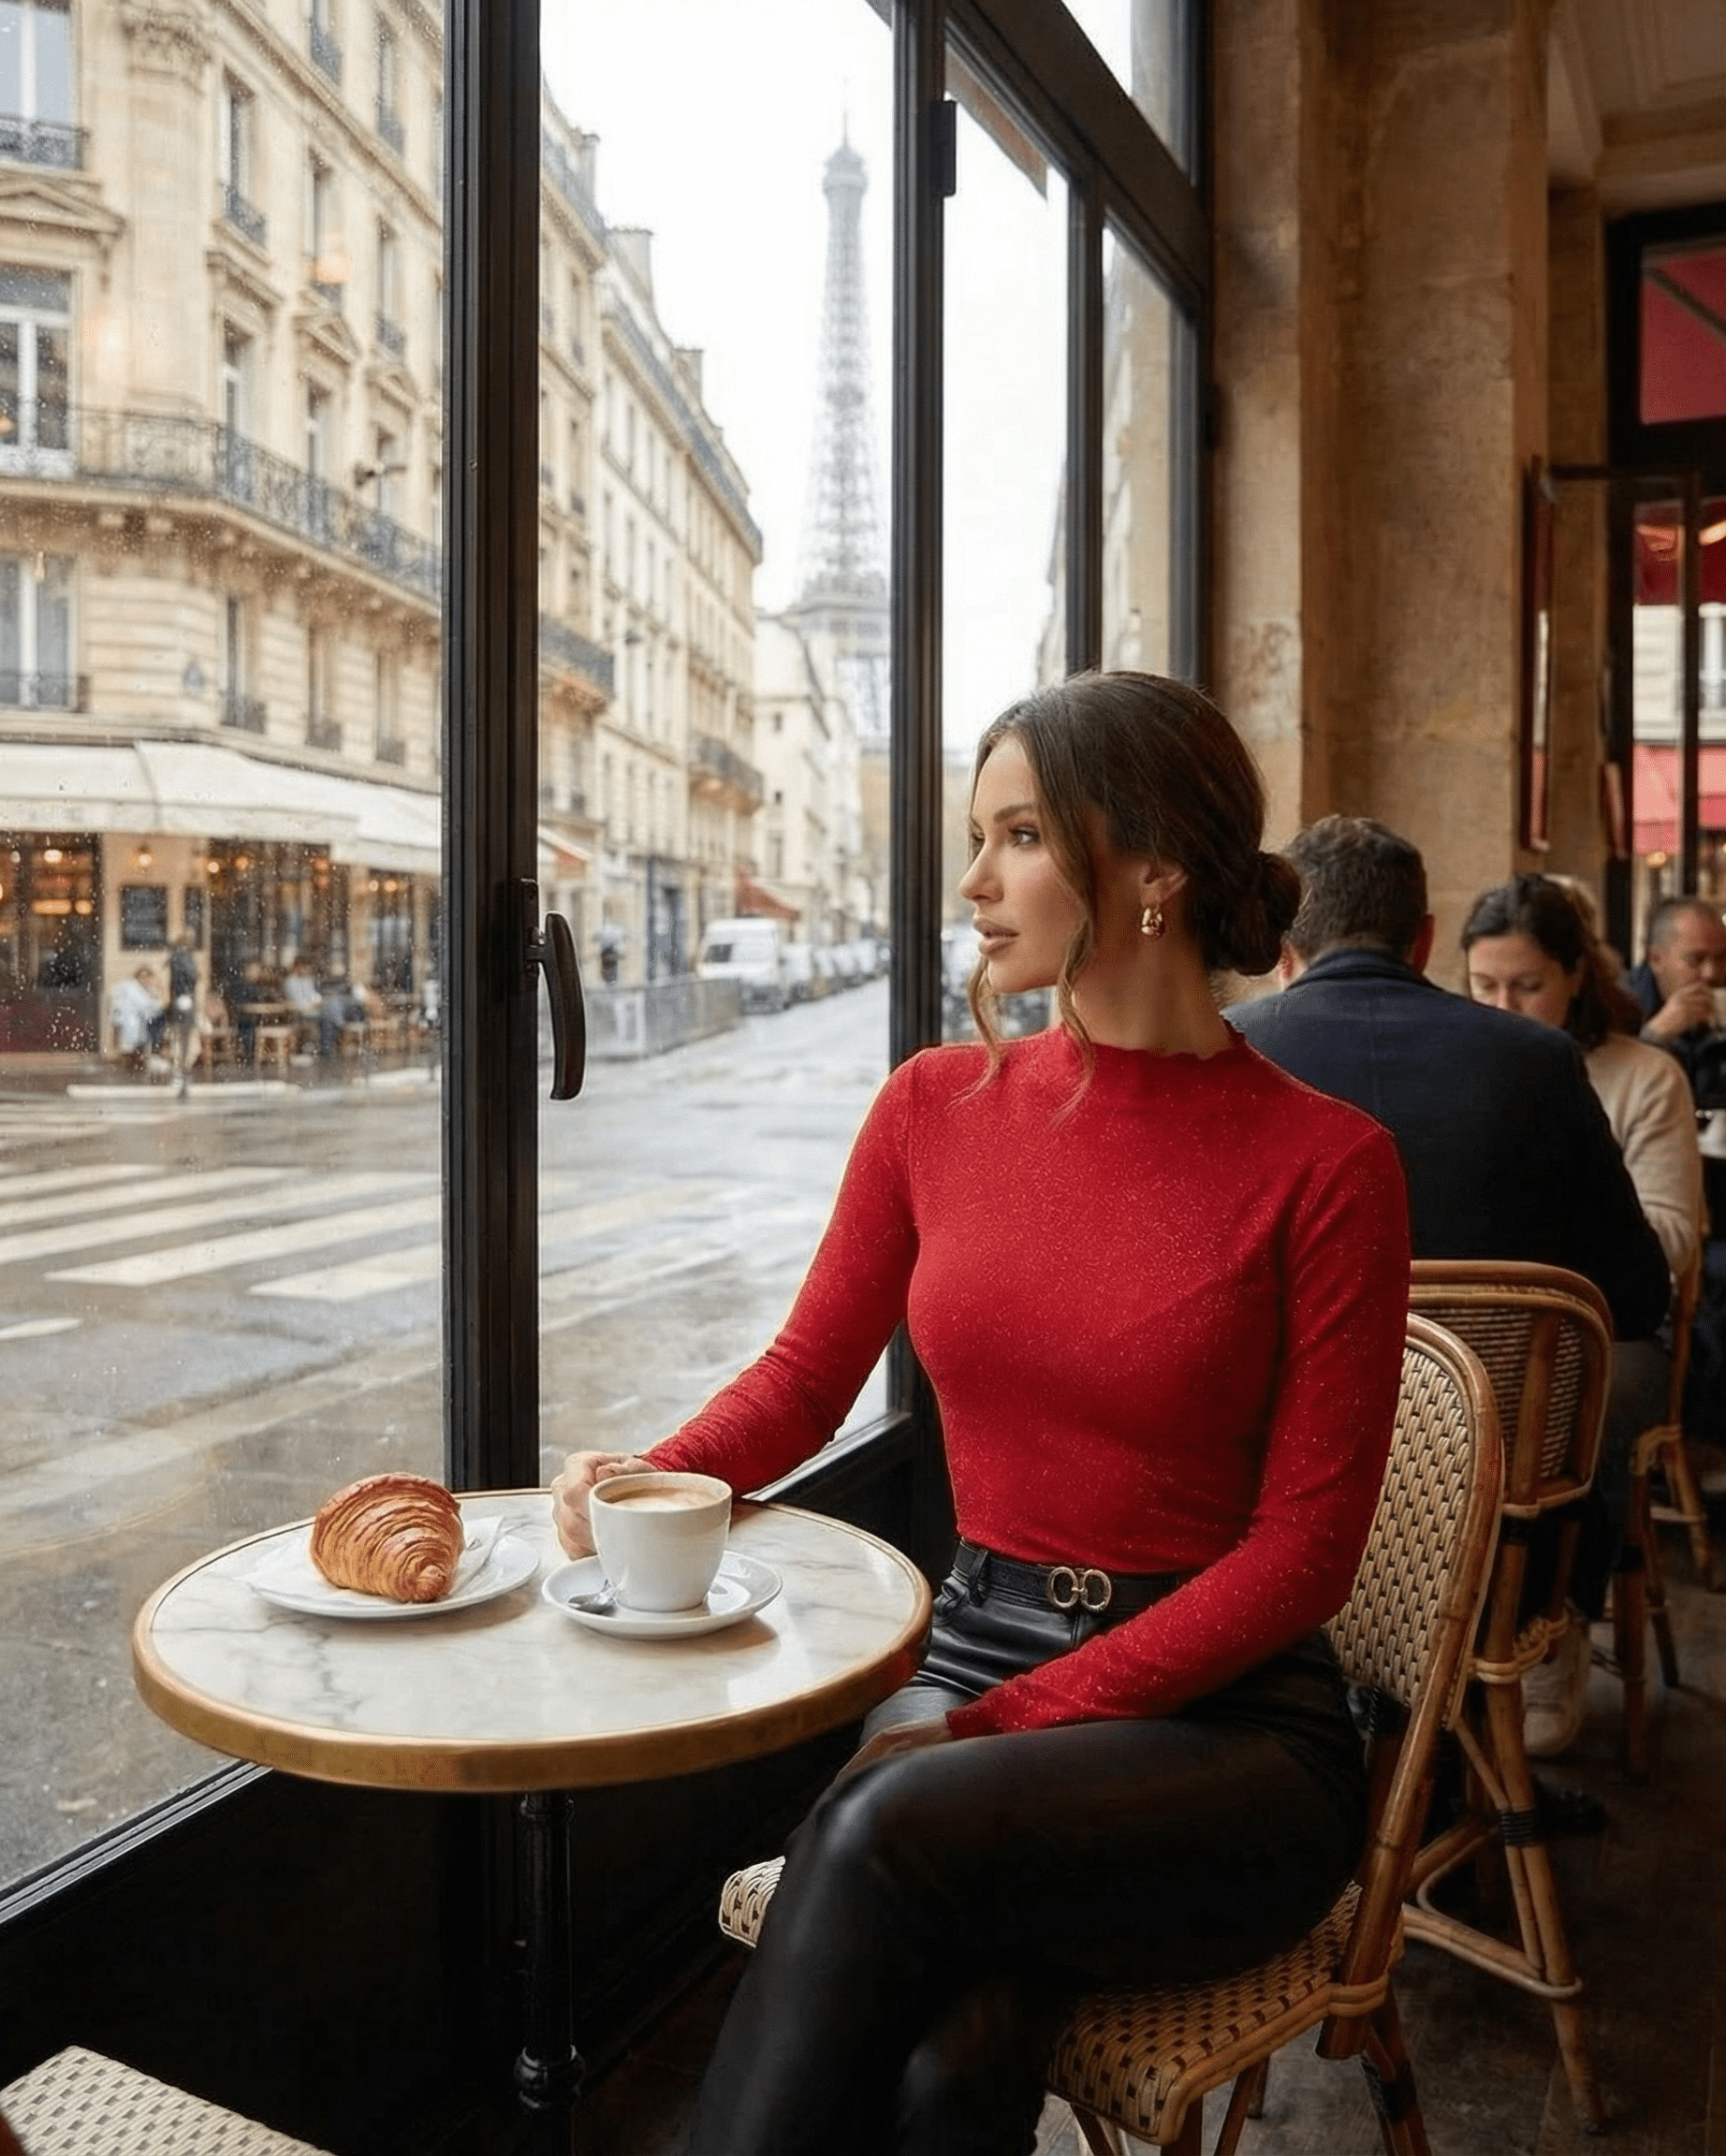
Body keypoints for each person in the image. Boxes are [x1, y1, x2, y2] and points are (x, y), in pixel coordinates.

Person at [549, 674, 1412, 2156]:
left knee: (882, 1828)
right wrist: (650, 1479)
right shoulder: (930, 1109)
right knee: (956, 2067)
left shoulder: (1331, 1166)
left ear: (1152, 870)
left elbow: (1304, 1560)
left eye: (1017, 834)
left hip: (1233, 1737)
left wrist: (1003, 1728)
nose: (971, 882)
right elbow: (803, 1380)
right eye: (976, 835)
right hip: (977, 1650)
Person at [1228, 816, 1670, 1347]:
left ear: (1283, 953)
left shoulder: (1232, 1050)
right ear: (1424, 941)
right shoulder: (1540, 1058)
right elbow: (1637, 1296)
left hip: (1288, 1422)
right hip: (1502, 1423)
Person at [1462, 873, 1702, 1752]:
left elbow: (1672, 1238)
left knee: (1580, 1409)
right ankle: (1434, 1637)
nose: (1504, 1005)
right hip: (1492, 1326)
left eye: (1525, 985)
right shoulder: (1472, 1063)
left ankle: (1555, 1625)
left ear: (1575, 975)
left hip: (1614, 1326)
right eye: (1484, 986)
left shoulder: (1645, 1076)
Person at [109, 965, 164, 1065]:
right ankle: (138, 1059)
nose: (147, 980)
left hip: (133, 1020)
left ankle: (137, 1059)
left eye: (148, 977)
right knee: (154, 1025)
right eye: (144, 977)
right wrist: (155, 998)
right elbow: (146, 1004)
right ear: (138, 977)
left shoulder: (137, 988)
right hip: (132, 1021)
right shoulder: (133, 988)